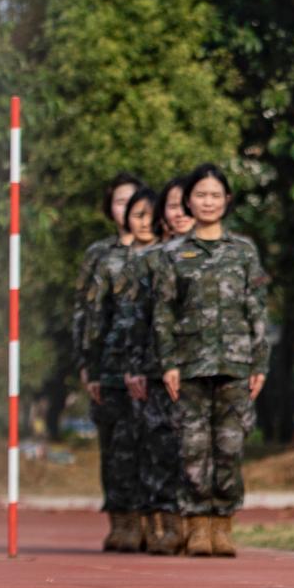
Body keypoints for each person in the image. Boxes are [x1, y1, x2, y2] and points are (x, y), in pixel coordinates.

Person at [153, 164, 269, 557]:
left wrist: (260, 363)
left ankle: (224, 524)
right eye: (200, 195)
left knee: (230, 446)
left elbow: (257, 309)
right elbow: (164, 312)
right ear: (188, 201)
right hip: (188, 364)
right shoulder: (172, 254)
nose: (207, 201)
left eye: (215, 195)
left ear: (227, 201)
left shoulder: (243, 251)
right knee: (192, 447)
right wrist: (168, 362)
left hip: (236, 364)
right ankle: (197, 525)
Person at [116, 179, 189, 555]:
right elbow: (134, 320)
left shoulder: (216, 256)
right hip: (154, 369)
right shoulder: (149, 262)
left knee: (195, 449)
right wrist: (133, 366)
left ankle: (201, 526)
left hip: (199, 368)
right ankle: (163, 526)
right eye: (172, 206)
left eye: (184, 205)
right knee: (158, 448)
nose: (178, 213)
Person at [80, 175, 147, 552]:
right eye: (121, 201)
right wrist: (86, 362)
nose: (128, 209)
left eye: (136, 202)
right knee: (115, 446)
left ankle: (150, 520)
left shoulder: (160, 249)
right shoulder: (100, 255)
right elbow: (87, 313)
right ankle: (121, 520)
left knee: (147, 445)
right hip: (108, 365)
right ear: (110, 207)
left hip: (146, 365)